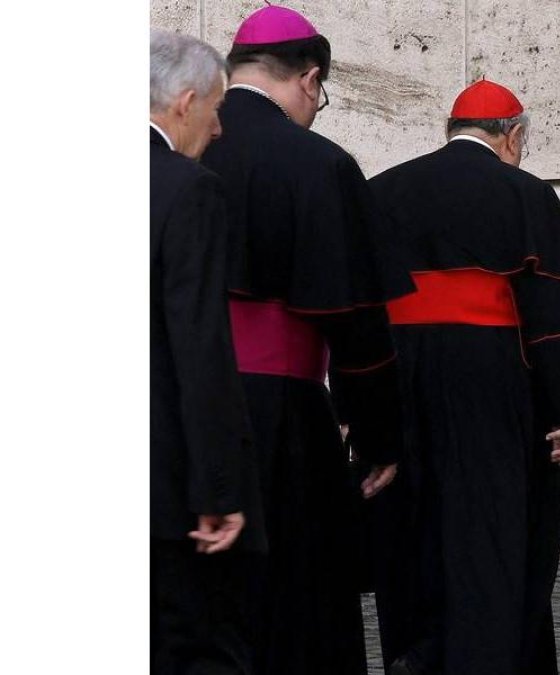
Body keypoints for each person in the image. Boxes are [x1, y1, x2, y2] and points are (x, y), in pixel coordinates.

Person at [199, 4, 415, 674]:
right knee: (299, 598)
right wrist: (377, 433)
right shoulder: (317, 163)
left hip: (179, 403)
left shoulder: (178, 146)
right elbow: (355, 320)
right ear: (310, 79)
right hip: (283, 418)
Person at [367, 79, 560, 675]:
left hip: (401, 375)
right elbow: (547, 319)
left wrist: (359, 401)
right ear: (513, 136)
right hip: (495, 384)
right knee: (494, 533)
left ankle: (414, 656)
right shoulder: (524, 192)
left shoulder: (383, 190)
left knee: (413, 524)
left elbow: (357, 307)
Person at [150, 29, 255, 675]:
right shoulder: (187, 188)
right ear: (186, 102)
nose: (218, 131)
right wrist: (218, 487)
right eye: (216, 110)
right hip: (157, 481)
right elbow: (198, 346)